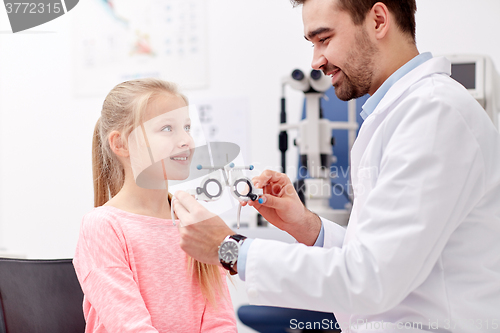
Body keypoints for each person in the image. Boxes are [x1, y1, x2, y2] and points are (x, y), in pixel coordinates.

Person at [172, 0, 500, 332]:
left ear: (378, 20)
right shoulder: (399, 115)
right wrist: (307, 227)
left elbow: (372, 278)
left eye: (324, 39)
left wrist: (230, 249)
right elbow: (387, 257)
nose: (316, 61)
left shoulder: (434, 114)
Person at [73, 78, 237, 333]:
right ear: (120, 144)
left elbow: (221, 323)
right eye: (167, 129)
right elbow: (131, 327)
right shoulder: (103, 227)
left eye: (187, 127)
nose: (186, 141)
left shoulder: (196, 223)